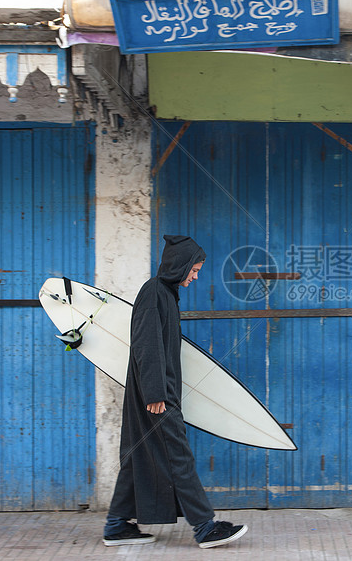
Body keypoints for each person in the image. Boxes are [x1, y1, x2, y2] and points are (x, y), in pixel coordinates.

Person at [103, 235, 247, 549]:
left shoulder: (165, 294)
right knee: (178, 455)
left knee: (138, 453)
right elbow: (147, 344)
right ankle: (205, 527)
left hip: (152, 392)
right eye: (193, 270)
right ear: (179, 266)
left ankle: (116, 525)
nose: (195, 277)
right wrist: (157, 393)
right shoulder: (154, 292)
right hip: (155, 395)